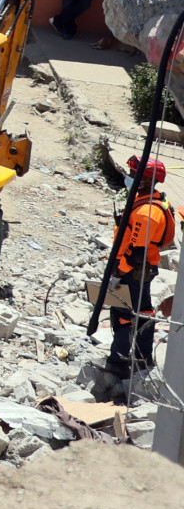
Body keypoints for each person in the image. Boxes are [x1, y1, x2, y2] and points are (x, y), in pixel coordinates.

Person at [107, 155, 175, 379]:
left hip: (132, 270)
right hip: (140, 269)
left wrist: (119, 272)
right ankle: (143, 357)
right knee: (143, 310)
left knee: (124, 313)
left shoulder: (147, 213)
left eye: (134, 174)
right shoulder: (148, 201)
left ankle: (117, 362)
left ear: (147, 180)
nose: (129, 177)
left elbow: (137, 253)